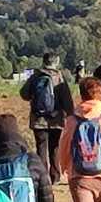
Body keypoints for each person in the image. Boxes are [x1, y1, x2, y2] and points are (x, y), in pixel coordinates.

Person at [19, 53, 74, 185]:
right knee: (54, 148)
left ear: (43, 62)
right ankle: (55, 176)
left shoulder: (35, 77)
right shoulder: (59, 78)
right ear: (56, 62)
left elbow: (24, 94)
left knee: (41, 149)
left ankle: (42, 177)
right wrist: (71, 115)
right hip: (56, 120)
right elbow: (67, 100)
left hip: (38, 120)